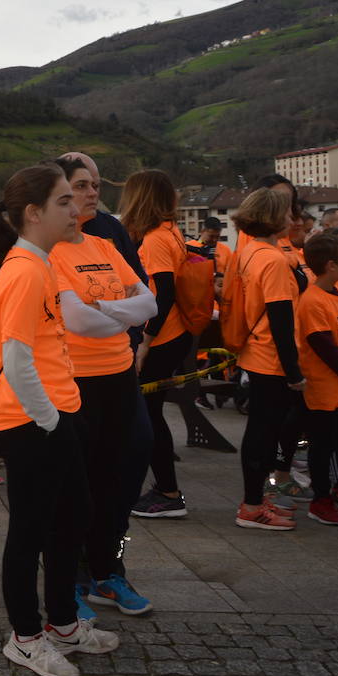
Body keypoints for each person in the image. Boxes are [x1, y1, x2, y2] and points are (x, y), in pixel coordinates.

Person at [0, 164, 117, 676]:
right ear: (34, 214)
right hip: (32, 421)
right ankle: (26, 637)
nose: (76, 208)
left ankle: (62, 623)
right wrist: (50, 420)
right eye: (63, 201)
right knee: (30, 530)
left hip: (57, 413)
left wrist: (61, 415)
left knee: (73, 516)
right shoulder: (25, 269)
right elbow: (15, 360)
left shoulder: (43, 262)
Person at [49, 156, 158, 617]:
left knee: (125, 472)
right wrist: (119, 310)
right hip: (76, 380)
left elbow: (148, 302)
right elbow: (77, 319)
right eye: (81, 186)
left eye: (94, 184)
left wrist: (109, 312)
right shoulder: (46, 251)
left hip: (120, 376)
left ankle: (108, 569)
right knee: (79, 482)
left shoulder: (106, 239)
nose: (92, 193)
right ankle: (68, 577)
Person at [119, 169, 193, 519]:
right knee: (149, 413)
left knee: (148, 416)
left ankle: (167, 491)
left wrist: (146, 342)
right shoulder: (170, 232)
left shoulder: (154, 239)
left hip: (162, 337)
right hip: (175, 335)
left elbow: (163, 293)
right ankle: (164, 488)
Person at [230, 188, 303, 530]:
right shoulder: (273, 259)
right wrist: (294, 372)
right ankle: (252, 505)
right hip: (271, 357)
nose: (293, 218)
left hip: (256, 352)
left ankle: (255, 497)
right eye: (288, 213)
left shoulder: (249, 252)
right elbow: (281, 319)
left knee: (260, 430)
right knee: (264, 432)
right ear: (274, 218)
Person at [296, 234, 338, 526]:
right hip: (326, 391)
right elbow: (324, 346)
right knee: (323, 447)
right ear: (331, 265)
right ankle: (321, 500)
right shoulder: (311, 300)